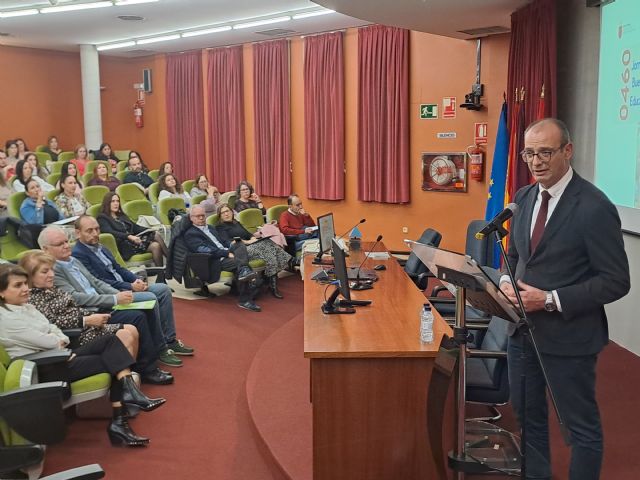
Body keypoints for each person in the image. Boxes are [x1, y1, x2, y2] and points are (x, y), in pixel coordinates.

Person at [499, 118, 630, 480]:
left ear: (567, 151)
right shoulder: (523, 198)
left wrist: (552, 299)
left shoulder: (593, 206)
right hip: (522, 333)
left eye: (545, 152)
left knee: (579, 429)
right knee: (529, 418)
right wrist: (506, 281)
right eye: (529, 153)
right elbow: (515, 257)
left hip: (569, 339)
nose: (537, 161)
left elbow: (616, 281)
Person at [0, 263, 165, 447]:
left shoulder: (26, 307)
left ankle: (125, 406)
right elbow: (48, 341)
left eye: (24, 283)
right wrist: (56, 342)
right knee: (116, 361)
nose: (25, 288)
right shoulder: (5, 318)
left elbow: (55, 331)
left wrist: (56, 339)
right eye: (17, 285)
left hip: (60, 355)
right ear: (1, 292)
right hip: (45, 367)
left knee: (111, 342)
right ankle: (121, 419)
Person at [39, 225, 175, 384]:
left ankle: (153, 356)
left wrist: (117, 294)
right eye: (59, 244)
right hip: (92, 311)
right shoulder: (52, 270)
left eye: (66, 241)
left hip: (104, 301)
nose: (66, 245)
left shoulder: (73, 260)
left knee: (146, 306)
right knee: (138, 316)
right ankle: (147, 370)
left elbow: (96, 282)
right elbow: (76, 298)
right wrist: (115, 299)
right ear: (46, 249)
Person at [72, 215, 194, 358]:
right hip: (115, 293)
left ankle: (169, 339)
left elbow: (119, 269)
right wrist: (129, 286)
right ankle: (160, 348)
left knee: (163, 289)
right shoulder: (78, 254)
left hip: (126, 286)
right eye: (89, 230)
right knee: (151, 297)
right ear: (78, 233)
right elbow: (100, 281)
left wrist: (137, 280)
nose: (95, 233)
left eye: (97, 229)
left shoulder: (101, 247)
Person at [20, 250, 136, 351]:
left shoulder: (51, 288)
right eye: (45, 272)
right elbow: (52, 322)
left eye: (51, 270)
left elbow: (74, 306)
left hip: (88, 325)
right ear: (30, 276)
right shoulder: (32, 298)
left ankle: (133, 374)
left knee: (132, 330)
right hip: (76, 335)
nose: (51, 275)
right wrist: (86, 320)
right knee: (126, 334)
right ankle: (125, 374)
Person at [185, 205, 261, 312]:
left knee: (239, 245)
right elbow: (205, 250)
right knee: (239, 263)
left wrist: (232, 244)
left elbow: (223, 241)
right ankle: (244, 300)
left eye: (203, 215)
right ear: (191, 218)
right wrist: (226, 253)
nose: (201, 218)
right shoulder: (190, 234)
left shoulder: (210, 227)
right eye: (198, 216)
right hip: (214, 259)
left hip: (226, 252)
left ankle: (244, 275)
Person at [216, 203, 292, 299]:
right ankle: (280, 273)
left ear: (231, 212)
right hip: (239, 251)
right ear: (220, 216)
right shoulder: (220, 227)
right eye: (222, 213)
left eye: (227, 211)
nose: (226, 214)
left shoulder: (237, 223)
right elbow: (229, 243)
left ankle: (273, 285)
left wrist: (252, 238)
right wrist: (247, 241)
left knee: (268, 247)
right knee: (268, 247)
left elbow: (248, 234)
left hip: (250, 246)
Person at [97, 192, 168, 267]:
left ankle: (161, 275)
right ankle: (171, 260)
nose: (116, 203)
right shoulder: (102, 218)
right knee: (155, 235)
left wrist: (150, 229)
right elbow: (110, 233)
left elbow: (135, 227)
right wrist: (128, 236)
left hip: (134, 241)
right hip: (124, 246)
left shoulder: (121, 215)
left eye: (117, 201)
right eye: (113, 201)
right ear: (107, 203)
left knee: (155, 244)